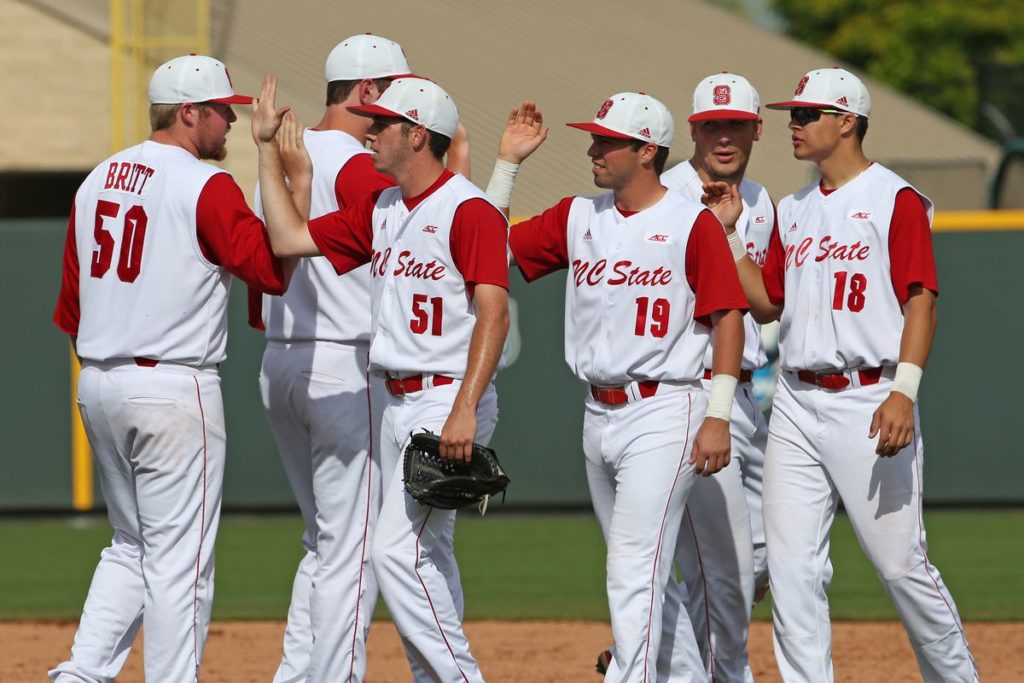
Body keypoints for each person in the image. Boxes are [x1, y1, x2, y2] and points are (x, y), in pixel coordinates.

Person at [704, 66, 979, 682]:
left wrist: (904, 391)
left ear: (847, 120)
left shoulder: (895, 198)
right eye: (792, 116)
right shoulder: (794, 208)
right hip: (798, 403)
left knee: (901, 566)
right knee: (793, 568)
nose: (793, 126)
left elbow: (922, 299)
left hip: (871, 395)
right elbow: (767, 302)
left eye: (806, 115)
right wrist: (730, 237)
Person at [254, 74, 510, 682]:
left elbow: (494, 314)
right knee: (427, 556)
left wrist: (466, 408)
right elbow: (288, 237)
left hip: (445, 396)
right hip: (393, 400)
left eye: (385, 124)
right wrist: (266, 150)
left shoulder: (466, 209)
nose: (370, 130)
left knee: (395, 552)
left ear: (419, 135)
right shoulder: (383, 208)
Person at [487, 93, 748, 682]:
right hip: (597, 413)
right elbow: (489, 245)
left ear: (647, 149)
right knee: (643, 569)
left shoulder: (690, 222)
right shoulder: (579, 216)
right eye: (595, 138)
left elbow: (728, 316)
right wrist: (508, 165)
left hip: (666, 407)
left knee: (634, 568)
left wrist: (719, 414)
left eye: (607, 141)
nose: (593, 149)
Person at [49, 55, 291, 682]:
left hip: (100, 380)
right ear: (189, 112)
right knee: (181, 563)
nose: (230, 123)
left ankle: (80, 675)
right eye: (221, 112)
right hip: (172, 385)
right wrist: (281, 169)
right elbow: (270, 269)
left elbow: (72, 309)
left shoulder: (96, 178)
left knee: (132, 545)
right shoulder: (202, 185)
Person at [657, 71, 775, 683]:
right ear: (694, 129)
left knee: (767, 556)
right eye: (711, 126)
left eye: (735, 125)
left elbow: (761, 305)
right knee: (714, 563)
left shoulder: (761, 200)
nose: (723, 137)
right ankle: (694, 667)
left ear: (755, 130)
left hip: (745, 393)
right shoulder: (665, 192)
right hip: (691, 390)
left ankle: (655, 652)